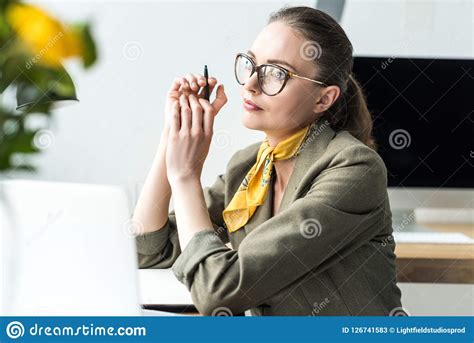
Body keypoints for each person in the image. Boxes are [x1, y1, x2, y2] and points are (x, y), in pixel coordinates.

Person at [133, 6, 404, 316]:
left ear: (323, 99)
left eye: (276, 73)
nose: (250, 83)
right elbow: (148, 250)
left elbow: (217, 290)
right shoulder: (248, 166)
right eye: (251, 64)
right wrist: (173, 135)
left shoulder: (355, 168)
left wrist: (185, 176)